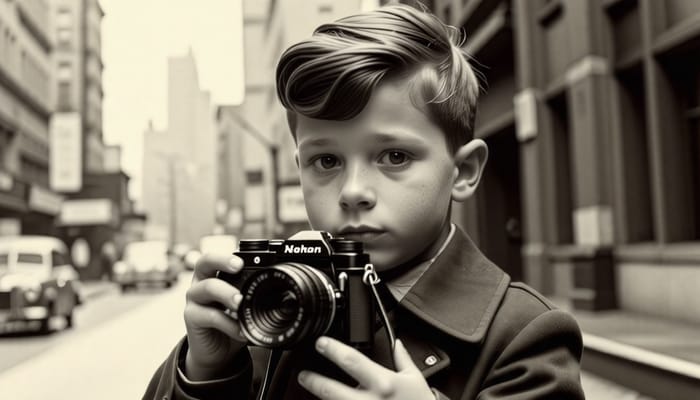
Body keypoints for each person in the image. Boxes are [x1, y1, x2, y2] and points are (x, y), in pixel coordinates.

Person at [144, 4, 585, 399]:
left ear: (463, 171)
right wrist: (204, 372)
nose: (353, 191)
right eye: (327, 160)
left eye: (394, 156)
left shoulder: (525, 335)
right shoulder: (274, 309)